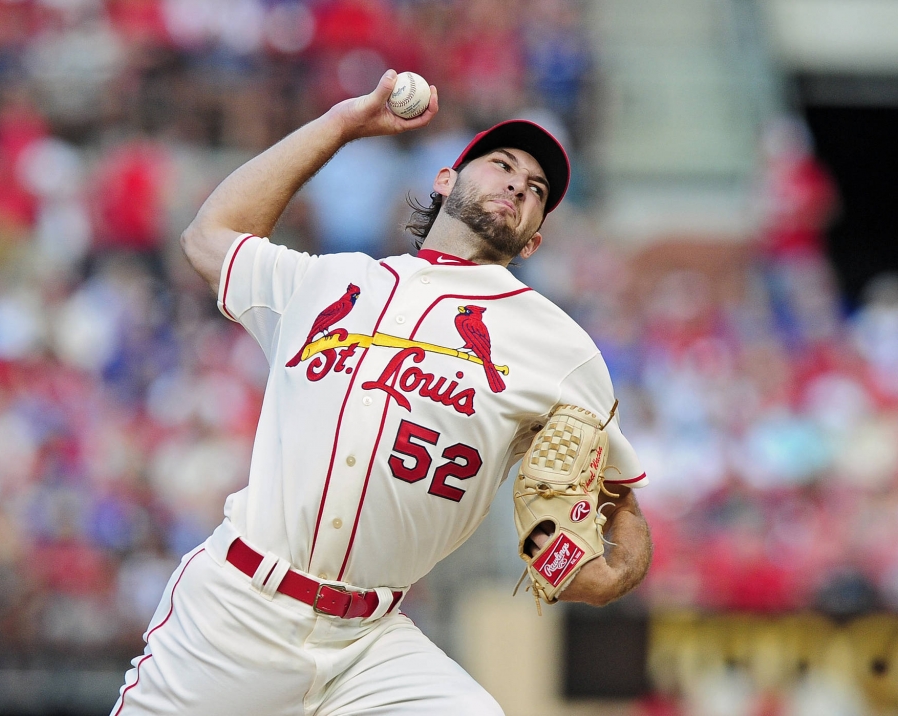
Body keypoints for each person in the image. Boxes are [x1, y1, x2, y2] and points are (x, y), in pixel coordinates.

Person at [111, 70, 653, 716]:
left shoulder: (559, 349)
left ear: (534, 238)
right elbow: (208, 236)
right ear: (445, 180)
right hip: (236, 613)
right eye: (502, 165)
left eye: (537, 190)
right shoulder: (330, 281)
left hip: (370, 646)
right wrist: (340, 126)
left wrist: (619, 568)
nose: (517, 184)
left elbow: (618, 497)